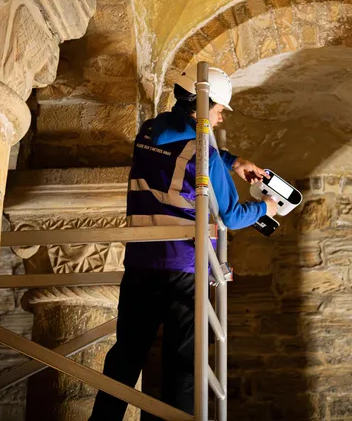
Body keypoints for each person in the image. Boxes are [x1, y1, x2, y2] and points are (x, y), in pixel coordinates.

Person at [90, 67, 277, 419]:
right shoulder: (202, 145)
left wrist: (234, 162)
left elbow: (186, 145)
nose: (220, 117)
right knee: (183, 361)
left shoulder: (150, 130)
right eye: (219, 109)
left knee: (127, 353)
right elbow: (234, 215)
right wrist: (267, 206)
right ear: (202, 104)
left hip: (141, 260)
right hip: (182, 266)